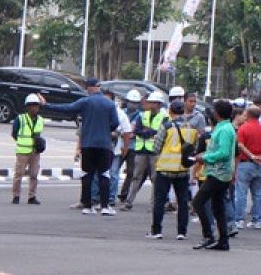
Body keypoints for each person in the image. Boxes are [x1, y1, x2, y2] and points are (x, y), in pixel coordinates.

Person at [41, 77, 120, 215]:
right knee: (104, 175)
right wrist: (105, 129)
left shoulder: (85, 102)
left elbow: (66, 109)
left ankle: (87, 206)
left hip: (88, 144)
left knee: (87, 175)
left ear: (90, 88)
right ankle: (105, 206)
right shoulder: (109, 104)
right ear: (98, 87)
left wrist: (46, 105)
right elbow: (115, 123)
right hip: (104, 145)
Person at [147, 99, 199, 240]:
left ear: (170, 111)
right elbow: (193, 148)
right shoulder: (191, 128)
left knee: (159, 200)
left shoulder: (167, 126)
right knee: (183, 202)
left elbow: (156, 147)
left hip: (165, 168)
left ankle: (156, 231)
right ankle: (182, 232)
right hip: (182, 169)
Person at [192, 100, 237, 250]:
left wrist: (205, 158)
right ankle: (223, 239)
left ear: (217, 113)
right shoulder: (223, 127)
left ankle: (208, 236)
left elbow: (223, 152)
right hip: (218, 171)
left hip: (219, 172)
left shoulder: (224, 130)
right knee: (217, 206)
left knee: (198, 202)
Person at [123, 91, 167, 210]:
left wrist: (147, 131)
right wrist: (149, 131)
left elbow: (160, 132)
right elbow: (137, 130)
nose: (148, 104)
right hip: (141, 150)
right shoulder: (143, 115)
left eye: (152, 102)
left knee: (155, 178)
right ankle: (128, 202)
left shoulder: (164, 116)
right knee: (136, 176)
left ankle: (154, 204)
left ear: (158, 104)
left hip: (154, 151)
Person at [234, 105, 261, 230]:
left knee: (241, 192)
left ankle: (239, 219)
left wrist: (251, 156)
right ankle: (257, 220)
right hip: (260, 165)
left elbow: (240, 145)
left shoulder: (243, 129)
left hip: (245, 163)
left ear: (249, 115)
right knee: (257, 194)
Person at [10, 93, 45, 205]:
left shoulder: (40, 120)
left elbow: (38, 134)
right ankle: (16, 196)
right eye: (32, 105)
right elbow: (14, 133)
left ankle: (32, 197)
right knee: (18, 174)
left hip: (35, 152)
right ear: (28, 107)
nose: (34, 108)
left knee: (34, 174)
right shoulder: (20, 119)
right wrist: (22, 142)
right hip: (23, 151)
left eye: (36, 105)